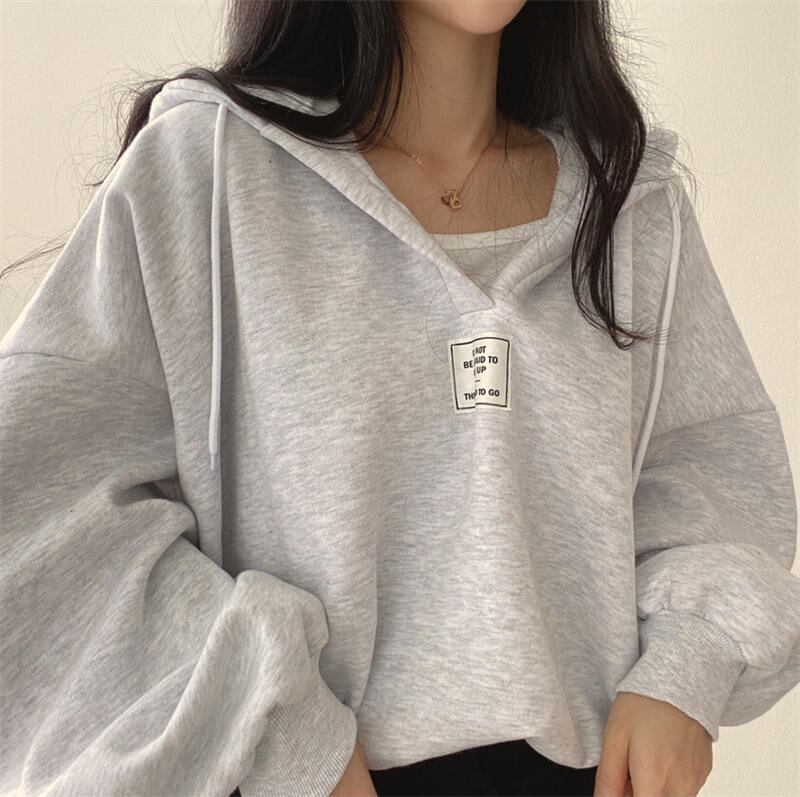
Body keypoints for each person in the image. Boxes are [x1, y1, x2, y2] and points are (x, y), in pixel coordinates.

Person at [1, 2, 798, 796]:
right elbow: (38, 521)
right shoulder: (208, 173)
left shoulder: (629, 208)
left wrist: (684, 670)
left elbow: (718, 485)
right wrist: (278, 729)